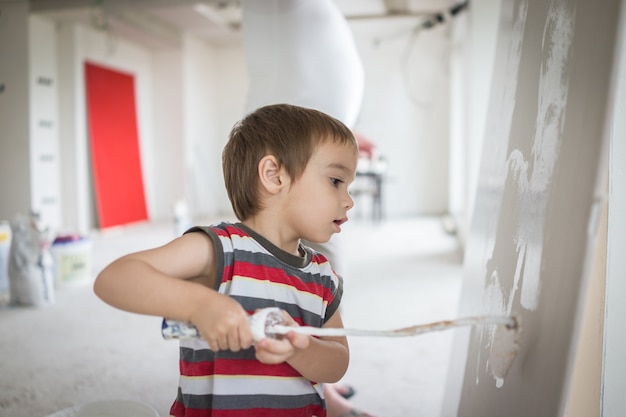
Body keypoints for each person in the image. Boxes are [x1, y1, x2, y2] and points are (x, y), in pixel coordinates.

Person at [94, 104, 363, 417]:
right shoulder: (220, 249)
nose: (349, 200)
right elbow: (114, 279)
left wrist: (301, 348)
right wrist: (197, 305)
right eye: (335, 181)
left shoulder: (323, 277)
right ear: (274, 176)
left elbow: (337, 363)